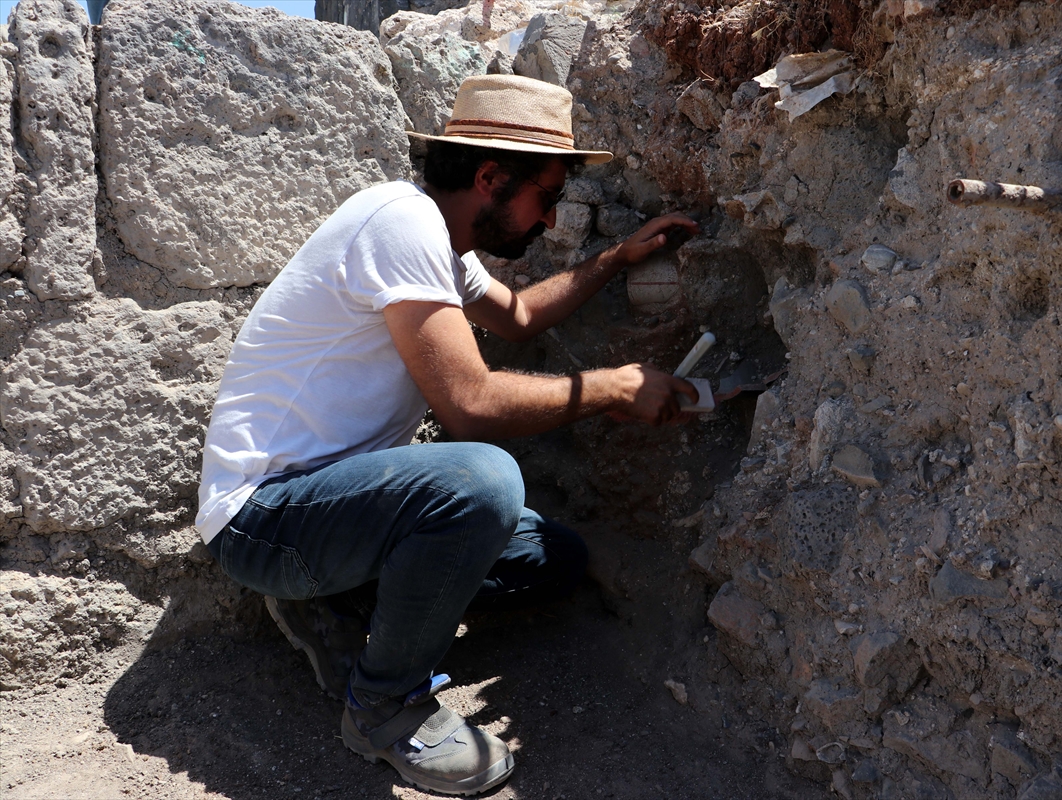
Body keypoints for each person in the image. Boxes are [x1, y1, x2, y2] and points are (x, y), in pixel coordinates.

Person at [195, 74, 699, 796]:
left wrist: (614, 261)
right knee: (481, 482)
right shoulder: (401, 223)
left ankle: (337, 607)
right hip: (266, 519)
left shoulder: (440, 244)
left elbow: (519, 317)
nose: (551, 223)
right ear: (491, 176)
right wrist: (611, 389)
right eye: (546, 199)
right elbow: (469, 407)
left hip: (334, 511)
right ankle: (384, 709)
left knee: (551, 556)